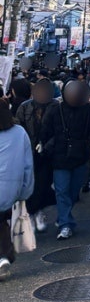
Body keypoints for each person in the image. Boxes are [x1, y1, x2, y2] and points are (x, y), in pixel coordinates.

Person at [40, 80, 90, 240]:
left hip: (80, 158)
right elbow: (45, 131)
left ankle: (62, 217)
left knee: (73, 191)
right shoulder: (55, 110)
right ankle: (66, 225)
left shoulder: (89, 111)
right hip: (59, 159)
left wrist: (87, 149)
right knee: (62, 191)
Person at [0, 97, 34, 281]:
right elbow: (28, 166)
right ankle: (4, 255)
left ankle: (4, 255)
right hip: (11, 190)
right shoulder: (19, 132)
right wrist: (24, 193)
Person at [16, 78, 57, 232]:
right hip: (27, 153)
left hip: (48, 154)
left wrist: (47, 146)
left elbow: (59, 130)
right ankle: (32, 214)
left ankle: (37, 213)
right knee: (29, 185)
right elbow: (18, 128)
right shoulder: (24, 107)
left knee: (43, 184)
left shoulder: (55, 106)